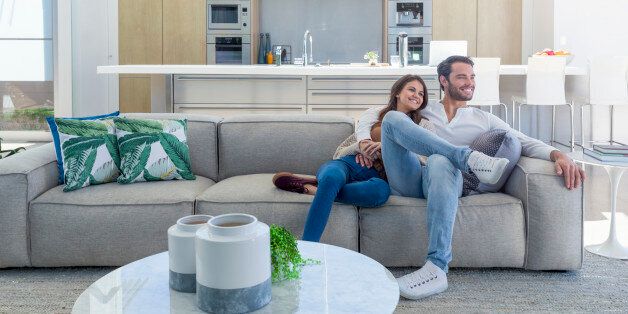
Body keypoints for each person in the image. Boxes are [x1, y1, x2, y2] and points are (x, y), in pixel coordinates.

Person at [355, 55, 586, 300]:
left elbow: (523, 141)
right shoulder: (424, 109)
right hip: (410, 178)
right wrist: (363, 141)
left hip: (446, 181)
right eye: (462, 77)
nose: (470, 82)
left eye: (472, 77)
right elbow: (375, 114)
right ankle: (467, 157)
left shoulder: (483, 119)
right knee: (392, 118)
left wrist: (558, 154)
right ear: (444, 81)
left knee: (440, 160)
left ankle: (436, 268)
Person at [272, 75, 433, 242]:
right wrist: (362, 148)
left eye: (421, 94)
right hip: (349, 163)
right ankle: (308, 247)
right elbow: (345, 149)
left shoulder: (425, 125)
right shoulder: (375, 114)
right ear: (398, 92)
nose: (417, 96)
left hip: (377, 177)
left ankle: (315, 189)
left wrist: (389, 149)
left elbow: (427, 158)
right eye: (412, 90)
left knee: (380, 193)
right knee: (331, 177)